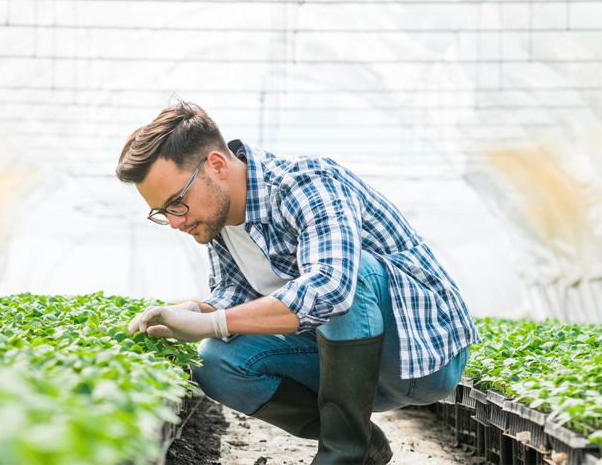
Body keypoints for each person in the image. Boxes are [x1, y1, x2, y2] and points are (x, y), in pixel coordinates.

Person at [116, 101, 481, 464]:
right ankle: (363, 444)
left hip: (420, 355)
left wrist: (211, 323)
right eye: (163, 213)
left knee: (350, 273)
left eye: (177, 202)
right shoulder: (217, 221)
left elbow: (331, 287)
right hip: (349, 366)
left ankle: (342, 456)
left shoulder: (304, 182)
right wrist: (194, 311)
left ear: (216, 165)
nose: (176, 222)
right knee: (216, 361)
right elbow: (234, 295)